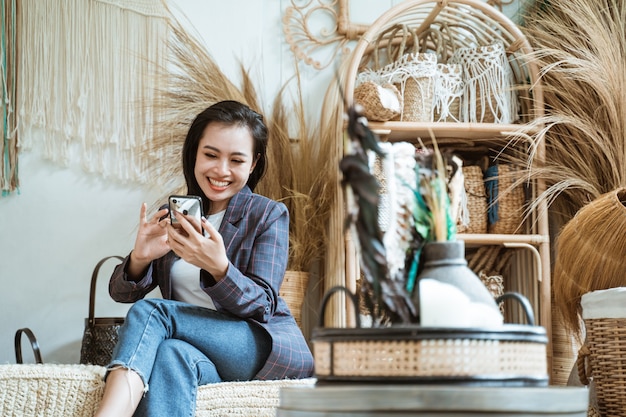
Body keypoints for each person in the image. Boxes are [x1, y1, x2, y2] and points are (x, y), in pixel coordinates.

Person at [95, 100, 314, 417]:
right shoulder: (179, 215)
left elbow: (263, 305)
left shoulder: (266, 214)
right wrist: (140, 257)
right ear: (194, 154)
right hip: (201, 354)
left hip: (254, 345)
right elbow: (121, 293)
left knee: (154, 312)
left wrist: (219, 268)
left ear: (252, 165)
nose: (221, 170)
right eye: (211, 155)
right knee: (172, 354)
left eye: (236, 160)